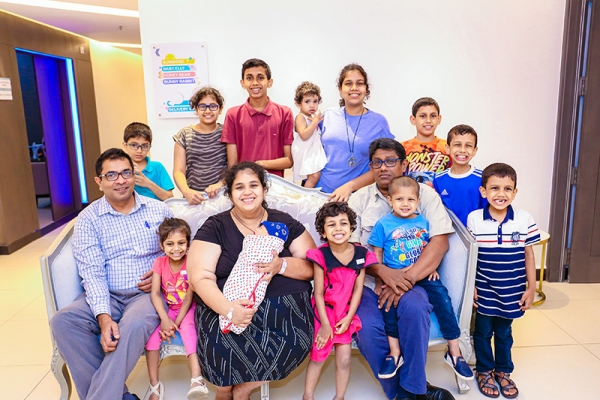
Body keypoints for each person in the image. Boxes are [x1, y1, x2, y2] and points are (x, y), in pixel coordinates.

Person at [49, 148, 173, 400]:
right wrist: (104, 317)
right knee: (63, 321)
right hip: (106, 292)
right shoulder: (88, 219)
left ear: (134, 174)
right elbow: (92, 272)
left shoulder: (158, 210)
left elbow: (180, 250)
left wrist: (162, 271)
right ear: (99, 181)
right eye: (112, 175)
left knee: (135, 324)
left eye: (126, 173)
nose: (121, 180)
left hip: (146, 294)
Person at [186, 162, 316, 400]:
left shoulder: (282, 223)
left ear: (264, 189)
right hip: (226, 306)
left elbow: (311, 266)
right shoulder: (215, 226)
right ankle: (224, 391)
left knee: (297, 340)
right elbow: (199, 277)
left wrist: (282, 265)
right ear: (230, 193)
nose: (247, 192)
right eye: (239, 187)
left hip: (285, 311)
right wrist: (228, 310)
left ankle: (244, 389)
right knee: (220, 357)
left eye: (254, 185)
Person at [348, 138, 455, 400]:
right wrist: (383, 273)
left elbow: (439, 242)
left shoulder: (425, 195)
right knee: (367, 326)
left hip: (415, 280)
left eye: (391, 161)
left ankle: (411, 388)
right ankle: (406, 393)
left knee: (416, 308)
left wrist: (403, 280)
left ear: (404, 164)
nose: (384, 167)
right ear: (371, 166)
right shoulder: (359, 200)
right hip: (369, 283)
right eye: (377, 162)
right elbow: (350, 249)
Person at [368, 176, 474, 382]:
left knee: (443, 299)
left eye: (410, 200)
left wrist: (431, 268)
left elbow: (430, 249)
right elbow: (377, 252)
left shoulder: (423, 222)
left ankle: (454, 352)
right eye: (399, 200)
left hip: (422, 275)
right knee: (388, 306)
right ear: (390, 200)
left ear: (418, 201)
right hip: (394, 276)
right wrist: (381, 280)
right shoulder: (383, 224)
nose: (405, 204)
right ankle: (395, 353)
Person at [467, 163, 540, 399]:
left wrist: (532, 287)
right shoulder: (474, 218)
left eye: (508, 189)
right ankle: (484, 370)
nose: (501, 194)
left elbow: (529, 255)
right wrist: (472, 287)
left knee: (504, 332)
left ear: (515, 192)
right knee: (482, 331)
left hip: (512, 290)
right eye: (495, 188)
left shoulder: (524, 219)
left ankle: (503, 371)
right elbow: (471, 257)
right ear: (483, 191)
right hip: (485, 288)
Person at [303, 202, 376, 400]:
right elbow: (318, 293)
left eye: (343, 223)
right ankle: (307, 396)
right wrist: (326, 325)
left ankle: (340, 397)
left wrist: (349, 317)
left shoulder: (361, 254)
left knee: (344, 359)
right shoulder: (321, 255)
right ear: (323, 232)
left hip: (345, 314)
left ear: (351, 228)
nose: (338, 228)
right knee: (318, 356)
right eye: (331, 224)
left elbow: (358, 288)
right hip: (324, 314)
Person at [144, 218, 209, 400]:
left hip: (188, 308)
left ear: (188, 243)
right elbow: (155, 293)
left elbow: (189, 296)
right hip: (169, 309)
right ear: (162, 245)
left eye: (181, 243)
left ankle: (197, 379)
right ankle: (155, 385)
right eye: (170, 244)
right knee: (151, 340)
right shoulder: (159, 263)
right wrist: (165, 320)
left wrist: (176, 323)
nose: (176, 248)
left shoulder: (191, 262)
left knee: (188, 331)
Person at [317, 63, 394, 201]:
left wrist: (350, 186)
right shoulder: (326, 116)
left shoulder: (378, 122)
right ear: (340, 89)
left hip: (357, 198)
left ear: (366, 89)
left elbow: (386, 165)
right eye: (348, 83)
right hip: (320, 194)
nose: (354, 88)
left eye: (359, 83)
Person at [221, 58, 293, 177]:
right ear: (242, 83)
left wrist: (259, 164)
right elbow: (232, 165)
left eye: (260, 77)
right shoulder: (233, 115)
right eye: (249, 78)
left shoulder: (285, 113)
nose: (255, 83)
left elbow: (288, 160)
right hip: (244, 185)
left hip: (276, 186)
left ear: (270, 82)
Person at [173, 86, 228, 205]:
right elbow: (179, 171)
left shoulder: (227, 132)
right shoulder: (184, 134)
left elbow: (233, 166)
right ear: (195, 108)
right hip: (193, 198)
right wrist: (186, 191)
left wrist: (220, 185)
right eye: (202, 106)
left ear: (221, 109)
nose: (208, 111)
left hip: (222, 197)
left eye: (213, 106)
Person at [433, 124, 485, 226]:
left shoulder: (483, 178)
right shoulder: (438, 179)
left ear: (475, 151)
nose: (462, 150)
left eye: (468, 146)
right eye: (457, 145)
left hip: (474, 237)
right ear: (448, 148)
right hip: (447, 237)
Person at [402, 97, 451, 188]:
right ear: (413, 120)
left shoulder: (447, 147)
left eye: (433, 116)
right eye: (423, 116)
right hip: (410, 198)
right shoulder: (402, 147)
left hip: (440, 199)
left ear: (439, 119)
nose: (428, 120)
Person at [123, 122, 174, 201]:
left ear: (150, 146)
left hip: (155, 211)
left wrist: (148, 183)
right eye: (134, 145)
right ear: (125, 145)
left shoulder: (157, 167)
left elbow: (169, 198)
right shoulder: (120, 168)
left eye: (144, 146)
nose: (139, 151)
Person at [291, 81, 327, 187]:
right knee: (314, 176)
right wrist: (315, 122)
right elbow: (304, 135)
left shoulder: (312, 117)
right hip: (304, 151)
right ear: (298, 104)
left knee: (316, 174)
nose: (312, 105)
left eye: (315, 101)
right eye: (307, 101)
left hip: (311, 150)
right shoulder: (300, 117)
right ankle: (306, 195)